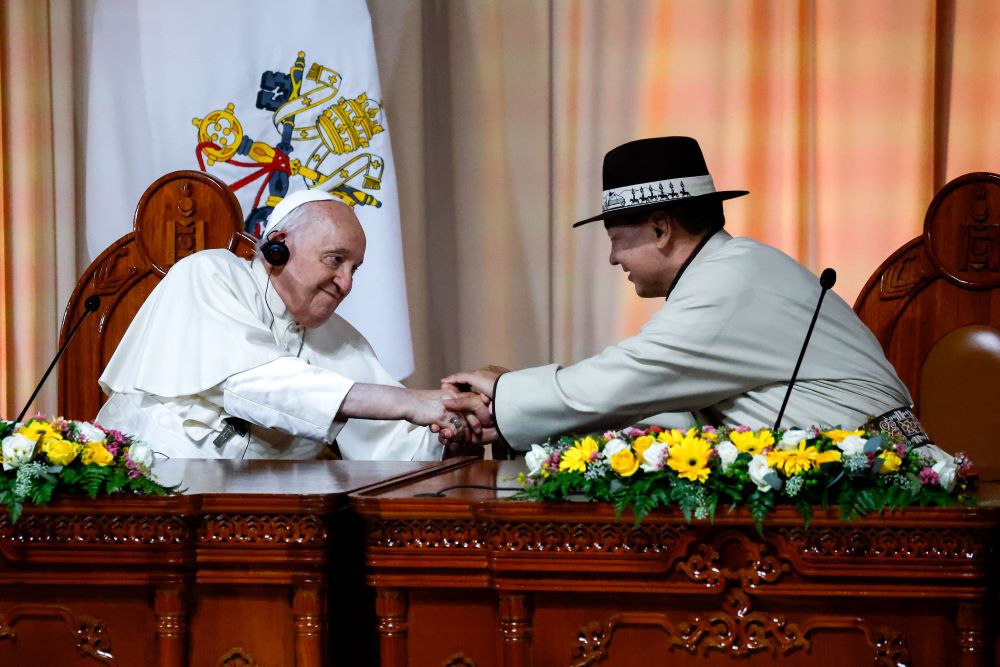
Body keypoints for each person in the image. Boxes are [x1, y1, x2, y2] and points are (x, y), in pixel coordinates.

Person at [444, 136, 920, 451]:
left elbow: (626, 380)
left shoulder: (729, 284)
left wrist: (504, 392)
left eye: (615, 239)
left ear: (659, 227)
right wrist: (510, 413)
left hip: (889, 497)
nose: (613, 260)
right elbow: (658, 404)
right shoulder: (731, 269)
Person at [98, 189, 491, 460]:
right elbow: (256, 384)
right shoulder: (209, 273)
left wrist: (455, 427)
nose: (347, 283)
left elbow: (394, 447)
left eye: (355, 269)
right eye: (336, 260)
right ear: (278, 246)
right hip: (148, 498)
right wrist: (411, 401)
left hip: (264, 527)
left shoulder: (341, 341)